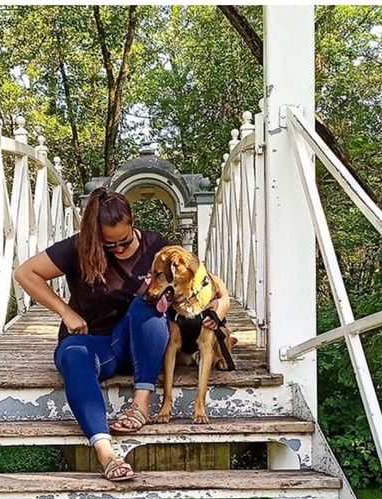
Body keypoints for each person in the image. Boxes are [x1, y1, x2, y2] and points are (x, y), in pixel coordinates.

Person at [14, 188, 227, 481]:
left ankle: (141, 403)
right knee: (72, 355)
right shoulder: (80, 248)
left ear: (132, 222)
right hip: (96, 347)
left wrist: (222, 302)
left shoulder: (156, 248)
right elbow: (25, 273)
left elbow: (201, 274)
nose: (119, 249)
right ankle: (106, 453)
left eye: (124, 241)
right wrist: (65, 311)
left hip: (142, 345)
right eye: (109, 244)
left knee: (145, 303)